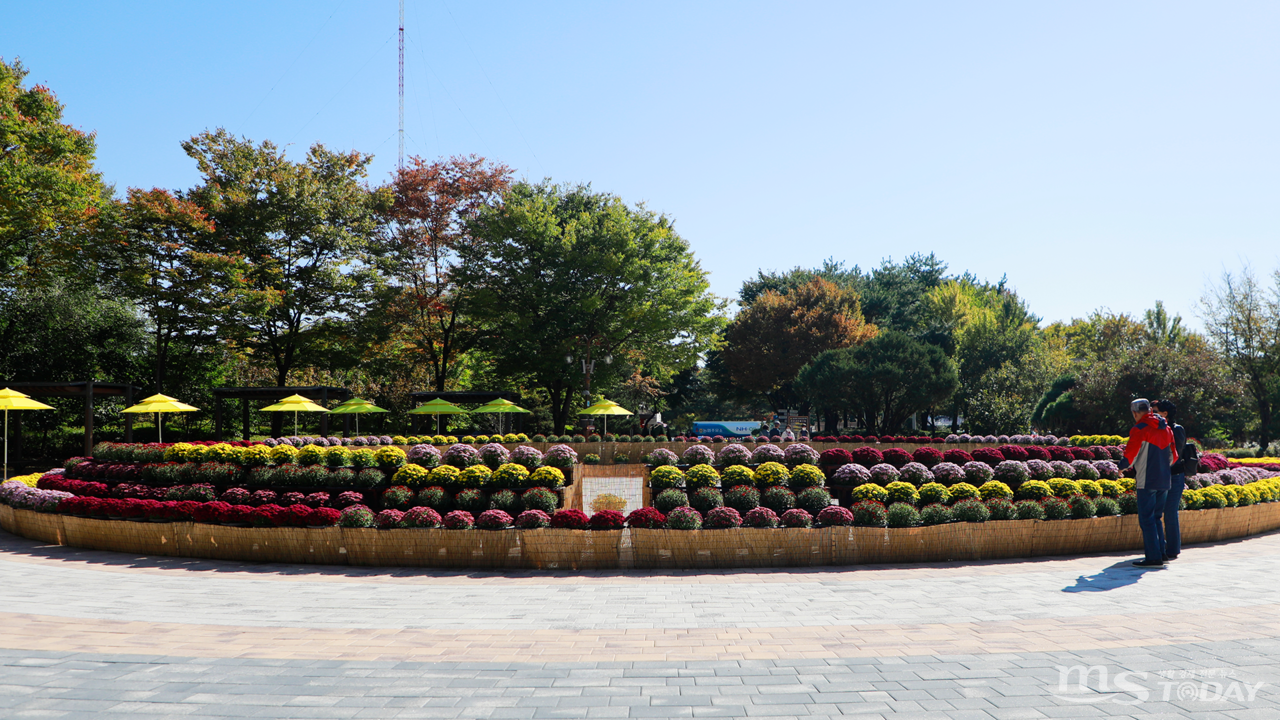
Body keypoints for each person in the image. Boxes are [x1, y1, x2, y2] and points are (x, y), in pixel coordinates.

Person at [1115, 398, 1176, 567]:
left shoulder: (1140, 429)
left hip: (1146, 479)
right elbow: (1173, 455)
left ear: (1135, 413)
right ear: (1149, 409)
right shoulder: (1167, 428)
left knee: (1147, 519)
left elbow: (1131, 453)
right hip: (1164, 478)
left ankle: (1153, 557)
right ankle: (1161, 554)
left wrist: (1122, 467)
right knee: (1157, 517)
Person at [1155, 399, 1188, 560]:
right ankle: (1160, 547)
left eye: (1155, 411)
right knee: (1158, 513)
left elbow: (1175, 455)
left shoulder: (1176, 430)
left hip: (1174, 476)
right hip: (1161, 475)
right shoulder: (1155, 429)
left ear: (1165, 413)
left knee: (1170, 513)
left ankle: (1173, 549)